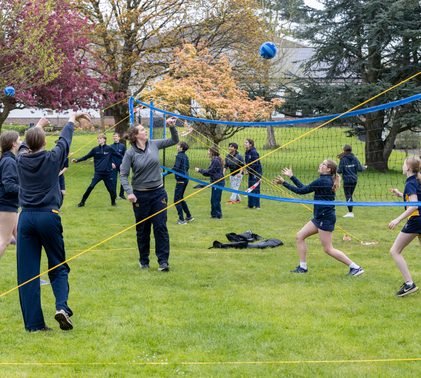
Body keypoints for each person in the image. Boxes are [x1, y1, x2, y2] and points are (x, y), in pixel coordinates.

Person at [16, 113, 90, 332]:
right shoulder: (52, 158)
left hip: (26, 218)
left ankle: (34, 325)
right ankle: (62, 308)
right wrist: (71, 118)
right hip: (48, 215)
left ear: (27, 143)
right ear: (46, 142)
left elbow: (22, 144)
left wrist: (38, 124)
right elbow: (65, 140)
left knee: (27, 273)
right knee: (57, 265)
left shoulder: (20, 158)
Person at [273, 159, 364, 276]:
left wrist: (284, 183)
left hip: (325, 218)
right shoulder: (325, 180)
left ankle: (355, 267)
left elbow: (301, 191)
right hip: (320, 217)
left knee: (328, 249)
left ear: (328, 169)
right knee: (300, 236)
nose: (320, 165)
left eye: (323, 164)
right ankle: (303, 267)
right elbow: (305, 188)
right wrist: (292, 177)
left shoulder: (323, 181)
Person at [120, 118, 179, 271]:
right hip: (141, 196)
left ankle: (163, 262)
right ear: (136, 136)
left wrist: (172, 127)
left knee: (160, 227)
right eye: (142, 130)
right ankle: (144, 260)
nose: (146, 131)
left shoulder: (154, 144)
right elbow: (123, 174)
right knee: (143, 230)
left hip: (159, 193)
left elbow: (174, 140)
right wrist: (129, 192)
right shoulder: (130, 153)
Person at [388, 156, 421, 297]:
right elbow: (415, 198)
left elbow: (414, 204)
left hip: (416, 220)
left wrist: (398, 219)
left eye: (403, 164)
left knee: (395, 251)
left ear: (408, 167)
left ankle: (409, 284)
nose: (402, 167)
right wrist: (400, 194)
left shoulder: (411, 183)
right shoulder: (417, 180)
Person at [72, 134, 123, 207]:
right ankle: (82, 202)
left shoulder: (109, 148)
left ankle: (113, 203)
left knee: (111, 189)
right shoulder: (95, 149)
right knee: (91, 186)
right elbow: (86, 157)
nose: (99, 140)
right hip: (98, 173)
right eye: (98, 138)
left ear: (104, 140)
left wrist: (126, 162)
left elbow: (120, 155)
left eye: (100, 138)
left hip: (107, 173)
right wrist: (77, 160)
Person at [0, 131, 21, 261]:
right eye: (19, 139)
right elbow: (9, 186)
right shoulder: (8, 161)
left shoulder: (8, 159)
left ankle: (29, 276)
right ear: (13, 144)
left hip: (12, 205)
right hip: (6, 205)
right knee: (5, 240)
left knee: (22, 239)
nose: (21, 142)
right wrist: (28, 190)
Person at [163, 141, 194, 225]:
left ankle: (182, 220)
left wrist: (166, 173)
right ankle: (189, 216)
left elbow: (176, 168)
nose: (177, 146)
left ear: (181, 148)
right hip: (185, 178)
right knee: (180, 198)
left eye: (178, 145)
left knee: (176, 200)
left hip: (181, 179)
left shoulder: (180, 156)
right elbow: (187, 167)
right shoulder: (184, 156)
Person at [195, 146, 225, 219]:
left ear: (212, 152)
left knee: (216, 199)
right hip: (215, 182)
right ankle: (214, 215)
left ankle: (218, 215)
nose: (208, 152)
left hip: (218, 182)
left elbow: (209, 171)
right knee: (213, 199)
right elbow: (210, 172)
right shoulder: (215, 160)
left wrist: (200, 170)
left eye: (209, 151)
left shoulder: (216, 160)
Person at [337, 145, 367, 218]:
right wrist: (364, 167)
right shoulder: (355, 159)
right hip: (354, 181)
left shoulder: (343, 160)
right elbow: (360, 169)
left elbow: (340, 171)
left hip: (347, 181)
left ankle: (350, 213)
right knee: (349, 195)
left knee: (348, 196)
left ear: (344, 150)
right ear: (351, 150)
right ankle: (350, 212)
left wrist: (332, 171)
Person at [244, 138, 262, 209]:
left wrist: (248, 170)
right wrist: (247, 169)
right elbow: (248, 163)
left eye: (246, 142)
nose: (245, 144)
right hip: (251, 172)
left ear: (250, 144)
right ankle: (250, 205)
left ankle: (257, 205)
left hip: (256, 172)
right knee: (250, 187)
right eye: (245, 142)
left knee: (256, 188)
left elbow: (255, 163)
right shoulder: (247, 152)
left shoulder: (254, 152)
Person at [110, 132, 126, 200]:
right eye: (114, 136)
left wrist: (122, 163)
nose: (115, 137)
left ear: (119, 137)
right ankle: (114, 196)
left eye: (116, 136)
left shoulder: (122, 146)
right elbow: (108, 156)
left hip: (121, 166)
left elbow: (125, 156)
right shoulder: (110, 146)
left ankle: (121, 194)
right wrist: (111, 163)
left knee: (123, 180)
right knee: (114, 181)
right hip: (113, 166)